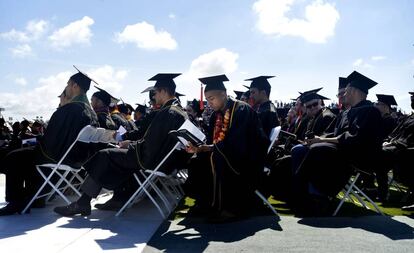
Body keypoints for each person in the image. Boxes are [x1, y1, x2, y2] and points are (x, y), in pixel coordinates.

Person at [54, 73, 189, 216]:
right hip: (164, 161)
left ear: (163, 91)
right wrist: (131, 144)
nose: (154, 97)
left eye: (155, 93)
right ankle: (119, 197)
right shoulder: (179, 111)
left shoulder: (167, 113)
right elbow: (154, 141)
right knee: (113, 155)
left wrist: (130, 145)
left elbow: (151, 146)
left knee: (104, 155)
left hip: (150, 160)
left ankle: (82, 203)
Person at [0, 68, 99, 215]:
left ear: (75, 86)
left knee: (15, 156)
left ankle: (15, 202)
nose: (65, 88)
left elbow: (50, 139)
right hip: (78, 159)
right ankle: (35, 199)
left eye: (67, 84)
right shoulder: (90, 112)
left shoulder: (69, 109)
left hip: (59, 156)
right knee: (28, 156)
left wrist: (34, 142)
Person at [292, 71, 383, 216]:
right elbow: (333, 134)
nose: (342, 96)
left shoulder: (370, 111)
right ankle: (303, 194)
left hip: (358, 156)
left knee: (318, 149)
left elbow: (354, 138)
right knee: (300, 149)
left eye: (345, 92)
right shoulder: (346, 112)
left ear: (353, 91)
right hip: (342, 150)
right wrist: (315, 138)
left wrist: (321, 140)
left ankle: (319, 197)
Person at [184, 74, 269, 223]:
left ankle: (229, 208)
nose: (209, 102)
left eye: (211, 98)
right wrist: (200, 148)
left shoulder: (241, 110)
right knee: (197, 161)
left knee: (216, 157)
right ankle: (205, 203)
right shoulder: (216, 116)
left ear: (223, 94)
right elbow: (215, 142)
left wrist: (209, 148)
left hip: (248, 159)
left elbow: (239, 143)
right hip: (228, 153)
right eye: (207, 99)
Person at [376, 91, 414, 205]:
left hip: (406, 151)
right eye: (411, 99)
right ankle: (383, 192)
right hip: (396, 148)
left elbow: (409, 139)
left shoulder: (392, 119)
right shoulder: (409, 117)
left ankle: (380, 191)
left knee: (380, 155)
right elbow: (395, 133)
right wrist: (388, 141)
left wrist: (394, 143)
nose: (412, 101)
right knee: (379, 155)